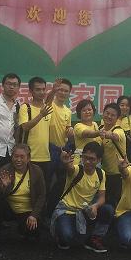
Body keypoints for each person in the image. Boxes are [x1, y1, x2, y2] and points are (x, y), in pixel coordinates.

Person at [51, 142, 113, 252]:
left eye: (92, 159)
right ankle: (60, 233)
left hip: (85, 211)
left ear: (99, 160)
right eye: (85, 157)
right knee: (67, 238)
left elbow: (102, 198)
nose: (88, 161)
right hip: (67, 210)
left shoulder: (101, 173)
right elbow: (70, 169)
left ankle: (95, 238)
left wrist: (95, 206)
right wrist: (66, 163)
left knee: (108, 210)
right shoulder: (77, 170)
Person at [0, 143, 46, 246]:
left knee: (32, 233)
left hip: (27, 211)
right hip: (9, 208)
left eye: (22, 157)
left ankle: (23, 229)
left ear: (28, 158)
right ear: (12, 157)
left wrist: (34, 215)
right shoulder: (5, 169)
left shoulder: (36, 171)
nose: (18, 160)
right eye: (16, 156)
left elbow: (42, 195)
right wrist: (4, 187)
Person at [17, 76, 54, 180]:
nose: (41, 92)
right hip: (28, 157)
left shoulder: (47, 108)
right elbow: (25, 127)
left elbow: (49, 100)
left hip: (46, 157)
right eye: (38, 89)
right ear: (31, 91)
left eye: (43, 89)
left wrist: (54, 91)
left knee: (44, 187)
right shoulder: (25, 107)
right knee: (28, 187)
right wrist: (41, 115)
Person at [46, 78, 73, 217]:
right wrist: (52, 90)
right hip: (49, 149)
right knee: (46, 182)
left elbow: (67, 128)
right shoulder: (50, 104)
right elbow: (47, 100)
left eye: (66, 91)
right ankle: (42, 213)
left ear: (69, 93)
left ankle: (54, 211)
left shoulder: (68, 111)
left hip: (63, 150)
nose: (62, 93)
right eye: (60, 89)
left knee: (62, 183)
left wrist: (70, 130)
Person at [98, 103, 126, 207]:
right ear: (103, 113)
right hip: (104, 173)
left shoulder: (118, 130)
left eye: (113, 115)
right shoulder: (100, 128)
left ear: (117, 118)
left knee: (116, 204)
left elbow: (116, 136)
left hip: (118, 175)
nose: (109, 116)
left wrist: (108, 134)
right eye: (107, 113)